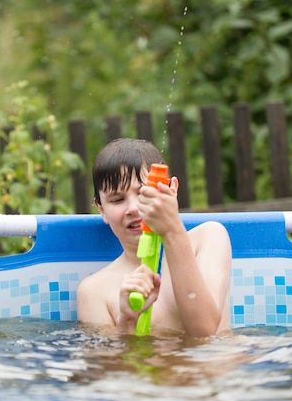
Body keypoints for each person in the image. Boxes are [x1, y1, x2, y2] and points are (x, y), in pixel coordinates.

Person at [76, 138, 232, 337]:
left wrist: (172, 229)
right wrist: (127, 322)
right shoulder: (94, 291)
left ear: (172, 189)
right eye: (117, 200)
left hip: (216, 366)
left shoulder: (208, 238)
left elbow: (205, 331)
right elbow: (110, 365)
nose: (133, 208)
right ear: (101, 210)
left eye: (144, 193)